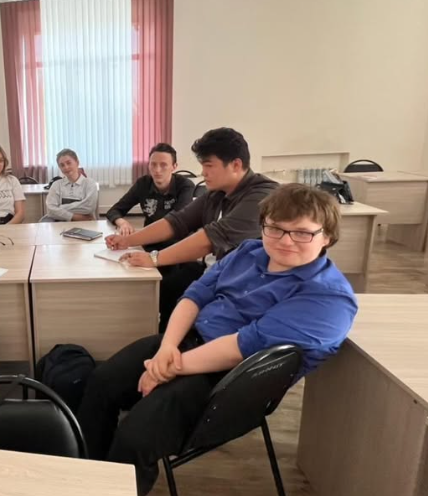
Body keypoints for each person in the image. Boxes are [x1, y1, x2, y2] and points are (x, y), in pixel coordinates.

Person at [78, 183, 358, 495]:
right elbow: (195, 295)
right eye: (275, 228)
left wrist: (166, 368)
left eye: (302, 233)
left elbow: (245, 345)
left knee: (136, 436)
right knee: (101, 383)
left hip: (235, 379)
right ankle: (88, 478)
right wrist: (167, 348)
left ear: (327, 236)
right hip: (188, 344)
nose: (285, 240)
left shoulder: (328, 297)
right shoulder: (248, 251)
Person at [106, 128, 278, 330]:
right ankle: (163, 335)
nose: (203, 173)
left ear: (236, 165)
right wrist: (127, 240)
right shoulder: (217, 192)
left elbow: (210, 239)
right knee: (159, 291)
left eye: (208, 166)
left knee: (175, 295)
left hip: (243, 286)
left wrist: (154, 258)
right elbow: (177, 221)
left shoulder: (263, 195)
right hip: (214, 271)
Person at [105, 143, 194, 250]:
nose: (157, 170)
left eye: (163, 165)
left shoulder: (185, 186)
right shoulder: (143, 184)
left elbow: (175, 222)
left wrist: (128, 240)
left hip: (177, 245)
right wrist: (123, 223)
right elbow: (114, 210)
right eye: (153, 164)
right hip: (150, 244)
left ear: (174, 166)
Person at [41, 148, 99, 222]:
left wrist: (59, 208)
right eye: (62, 165)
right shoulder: (56, 185)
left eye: (69, 163)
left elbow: (88, 207)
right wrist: (74, 217)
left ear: (77, 162)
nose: (66, 167)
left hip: (84, 223)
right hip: (61, 224)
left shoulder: (90, 184)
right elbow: (50, 211)